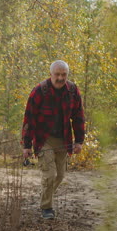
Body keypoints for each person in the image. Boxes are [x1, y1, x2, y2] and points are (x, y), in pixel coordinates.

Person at [21, 60, 85, 219]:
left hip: (64, 139)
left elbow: (78, 117)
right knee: (49, 175)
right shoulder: (39, 91)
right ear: (51, 74)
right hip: (44, 140)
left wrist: (79, 141)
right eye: (57, 74)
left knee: (60, 176)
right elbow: (29, 120)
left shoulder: (72, 91)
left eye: (64, 74)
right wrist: (27, 145)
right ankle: (46, 208)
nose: (60, 78)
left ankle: (45, 194)